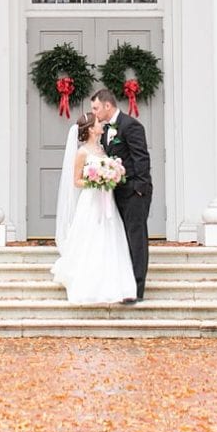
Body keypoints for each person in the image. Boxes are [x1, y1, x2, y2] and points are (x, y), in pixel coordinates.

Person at [50, 112, 138, 305]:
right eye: (99, 122)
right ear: (91, 128)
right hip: (91, 201)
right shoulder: (82, 152)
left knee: (110, 239)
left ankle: (113, 284)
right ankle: (89, 284)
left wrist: (112, 175)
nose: (102, 124)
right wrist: (96, 180)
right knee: (91, 240)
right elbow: (76, 181)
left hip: (107, 200)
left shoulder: (101, 148)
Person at [91, 86, 151, 303]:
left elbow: (141, 158)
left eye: (96, 108)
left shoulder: (131, 125)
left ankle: (138, 288)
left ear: (108, 105)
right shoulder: (107, 130)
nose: (95, 113)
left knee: (136, 239)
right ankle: (125, 285)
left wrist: (139, 188)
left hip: (134, 192)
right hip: (116, 193)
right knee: (122, 239)